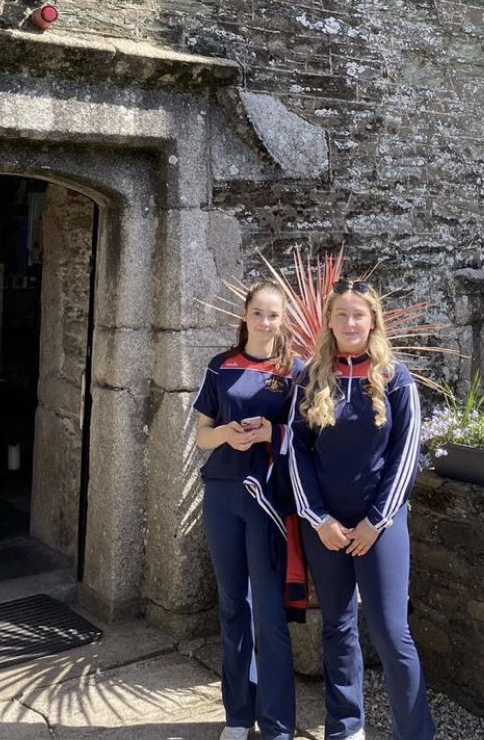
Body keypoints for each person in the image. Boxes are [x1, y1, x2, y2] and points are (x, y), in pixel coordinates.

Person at [288, 279, 435, 740]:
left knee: (391, 633)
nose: (350, 323)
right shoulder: (311, 378)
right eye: (342, 315)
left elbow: (406, 455)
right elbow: (297, 453)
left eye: (359, 314)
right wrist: (318, 519)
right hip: (326, 528)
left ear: (373, 321)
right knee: (337, 626)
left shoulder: (396, 378)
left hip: (381, 526)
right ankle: (346, 728)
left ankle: (416, 733)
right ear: (329, 322)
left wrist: (376, 521)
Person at [194, 280, 304, 740]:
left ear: (283, 320)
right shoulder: (220, 366)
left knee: (269, 612)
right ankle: (238, 716)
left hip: (268, 501)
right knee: (232, 606)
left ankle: (277, 724)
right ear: (245, 315)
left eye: (273, 314)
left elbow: (306, 438)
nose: (264, 321)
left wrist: (268, 434)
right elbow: (202, 435)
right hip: (222, 494)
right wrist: (227, 434)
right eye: (257, 312)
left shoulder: (295, 372)